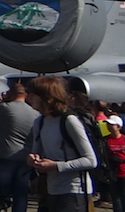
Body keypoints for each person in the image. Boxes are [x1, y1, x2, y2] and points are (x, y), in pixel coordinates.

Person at [27, 76, 97, 212]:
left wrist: (56, 166)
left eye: (34, 94)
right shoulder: (39, 122)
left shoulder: (69, 121)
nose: (30, 98)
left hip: (74, 190)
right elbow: (37, 152)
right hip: (50, 189)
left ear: (46, 97)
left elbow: (91, 160)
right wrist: (33, 159)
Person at [0, 82, 41, 212]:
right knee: (21, 193)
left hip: (5, 155)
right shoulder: (35, 113)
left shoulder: (5, 108)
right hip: (25, 157)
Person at [108, 115, 125, 212]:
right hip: (113, 174)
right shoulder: (106, 140)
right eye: (108, 124)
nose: (109, 126)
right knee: (116, 201)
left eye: (112, 125)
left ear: (118, 126)